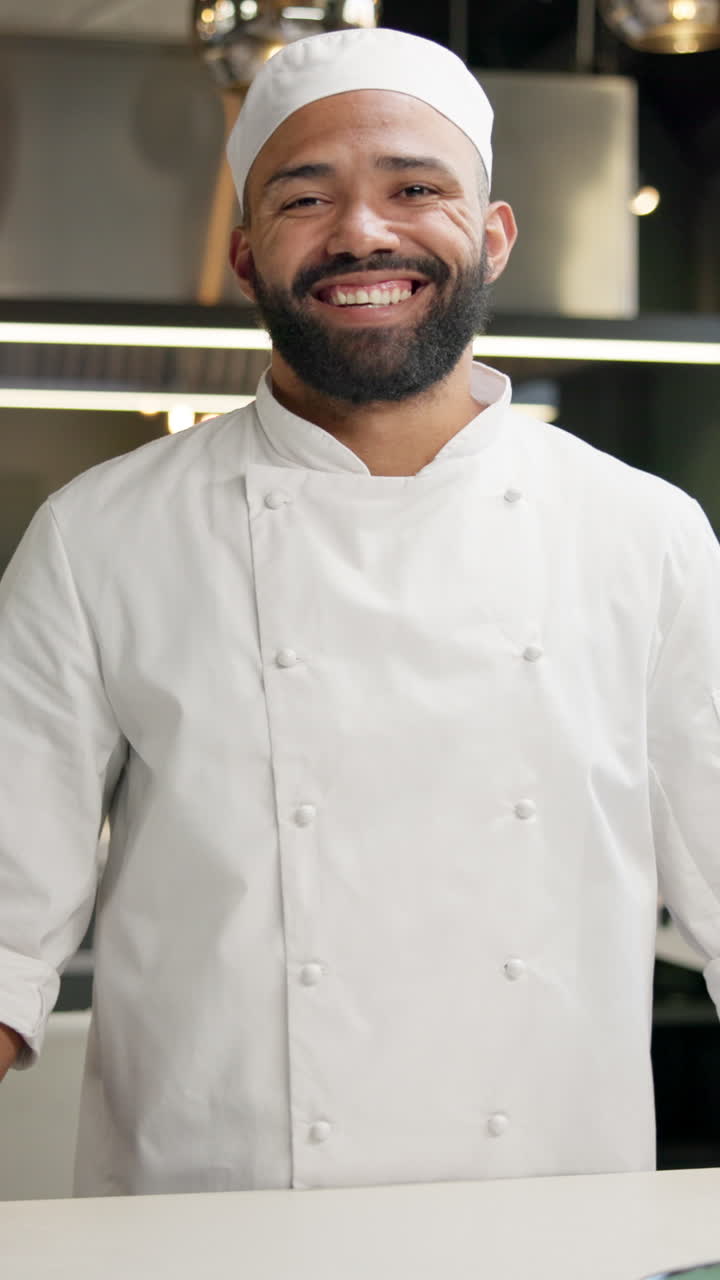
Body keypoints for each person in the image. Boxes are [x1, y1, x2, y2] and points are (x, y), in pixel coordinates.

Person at [1, 26, 719, 1198]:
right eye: (305, 196)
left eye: (415, 188)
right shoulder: (100, 538)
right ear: (246, 257)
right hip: (210, 1231)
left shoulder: (647, 535)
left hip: (551, 1226)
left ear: (493, 237)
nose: (363, 232)